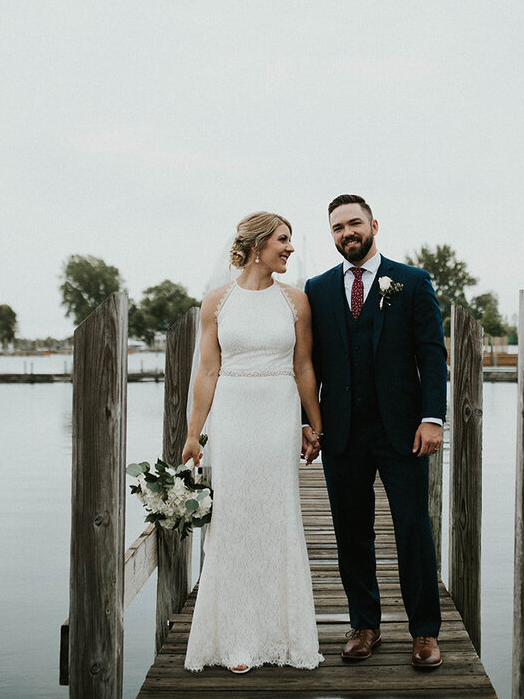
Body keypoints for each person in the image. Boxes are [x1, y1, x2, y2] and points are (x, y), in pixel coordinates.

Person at [303, 194, 446, 669]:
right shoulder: (317, 289)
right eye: (338, 227)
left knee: (412, 529)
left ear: (374, 224)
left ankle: (424, 631)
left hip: (403, 431)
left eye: (354, 223)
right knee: (351, 532)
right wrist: (309, 423)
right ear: (332, 234)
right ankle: (365, 625)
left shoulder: (412, 281)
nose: (347, 233)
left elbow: (431, 354)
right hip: (342, 433)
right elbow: (311, 364)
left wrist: (433, 418)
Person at [181, 211, 324, 674]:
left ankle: (283, 633)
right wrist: (192, 434)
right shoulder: (216, 303)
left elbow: (304, 368)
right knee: (236, 517)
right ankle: (237, 638)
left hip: (278, 416)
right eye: (283, 240)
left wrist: (314, 425)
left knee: (277, 515)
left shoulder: (297, 302)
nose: (290, 248)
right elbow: (207, 371)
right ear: (259, 244)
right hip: (235, 418)